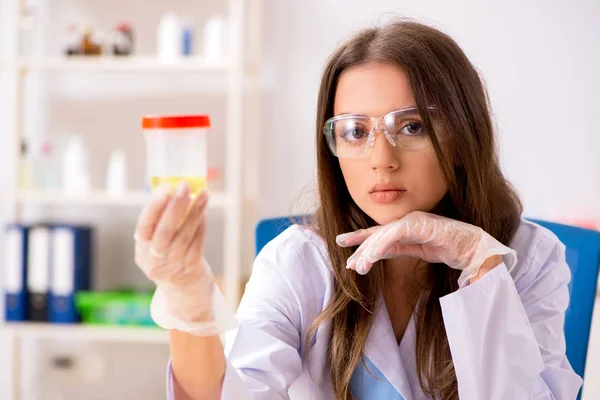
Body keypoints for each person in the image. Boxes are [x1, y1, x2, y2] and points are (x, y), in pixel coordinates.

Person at [133, 20, 583, 400]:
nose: (381, 159)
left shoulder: (531, 258)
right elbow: (233, 392)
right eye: (354, 131)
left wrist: (478, 264)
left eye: (411, 126)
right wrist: (188, 298)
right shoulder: (298, 262)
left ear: (463, 139)